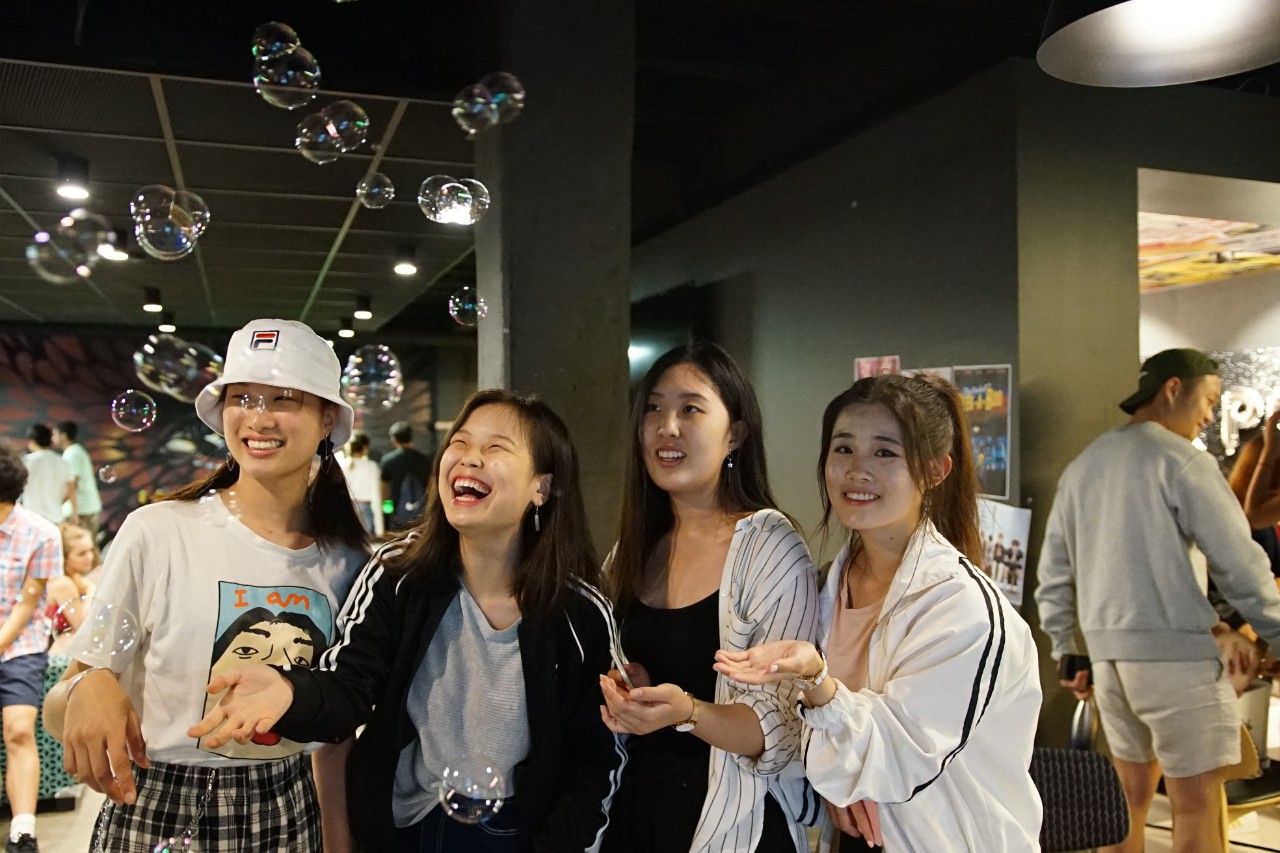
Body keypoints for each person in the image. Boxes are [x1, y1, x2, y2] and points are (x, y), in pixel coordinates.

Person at [189, 389, 626, 852]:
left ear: (541, 486)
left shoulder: (581, 614)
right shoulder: (399, 576)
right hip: (407, 823)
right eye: (459, 443)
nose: (469, 459)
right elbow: (348, 687)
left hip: (519, 830)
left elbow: (597, 759)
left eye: (495, 448)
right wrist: (291, 691)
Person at [42, 318, 369, 853]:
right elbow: (63, 704)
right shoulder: (156, 531)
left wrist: (338, 841)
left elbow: (335, 731)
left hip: (289, 807)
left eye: (283, 398)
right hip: (155, 808)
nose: (258, 418)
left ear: (327, 417)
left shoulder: (349, 560)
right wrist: (85, 686)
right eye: (243, 396)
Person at [715, 374, 1042, 851]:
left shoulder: (961, 607)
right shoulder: (826, 585)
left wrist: (819, 686)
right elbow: (800, 737)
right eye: (843, 449)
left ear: (934, 470)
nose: (856, 471)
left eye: (885, 453)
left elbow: (901, 754)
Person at [1035, 348, 1280, 853]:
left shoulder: (1085, 465)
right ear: (1173, 390)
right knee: (1197, 803)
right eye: (1209, 400)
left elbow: (1053, 573)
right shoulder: (1183, 462)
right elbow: (1239, 561)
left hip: (1110, 665)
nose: (1211, 415)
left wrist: (1068, 648)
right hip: (1178, 663)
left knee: (1129, 796)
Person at [597, 341, 820, 853]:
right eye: (653, 407)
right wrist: (630, 687)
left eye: (690, 409)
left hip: (732, 826)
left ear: (735, 434)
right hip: (631, 815)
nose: (666, 426)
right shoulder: (635, 546)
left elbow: (779, 732)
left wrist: (686, 711)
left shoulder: (768, 544)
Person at [0, 446, 62, 853]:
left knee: (20, 730)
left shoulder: (41, 533)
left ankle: (23, 829)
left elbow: (28, 602)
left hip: (19, 645)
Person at [45, 523, 100, 654]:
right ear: (65, 557)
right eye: (81, 554)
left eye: (91, 550)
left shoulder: (75, 580)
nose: (90, 557)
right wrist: (91, 588)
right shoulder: (63, 584)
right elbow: (82, 627)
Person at [380, 421, 432, 531]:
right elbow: (431, 487)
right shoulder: (425, 460)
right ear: (411, 437)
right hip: (420, 515)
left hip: (397, 515)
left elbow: (384, 491)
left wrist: (386, 513)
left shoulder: (388, 461)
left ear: (394, 440)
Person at [52, 422, 102, 536]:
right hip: (84, 509)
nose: (52, 438)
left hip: (82, 511)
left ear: (63, 435)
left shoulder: (72, 454)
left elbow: (72, 485)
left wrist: (56, 504)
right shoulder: (75, 451)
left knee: (84, 548)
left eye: (55, 434)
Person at [20, 425, 72, 525]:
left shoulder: (26, 461)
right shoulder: (63, 462)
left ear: (32, 440)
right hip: (56, 518)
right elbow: (71, 489)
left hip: (32, 518)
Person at [342, 432, 383, 537]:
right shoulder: (371, 467)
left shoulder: (342, 465)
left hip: (346, 508)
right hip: (365, 509)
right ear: (365, 448)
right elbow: (376, 497)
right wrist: (380, 530)